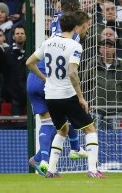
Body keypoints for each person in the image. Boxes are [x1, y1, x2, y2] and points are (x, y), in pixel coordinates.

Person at [26, 11, 106, 178]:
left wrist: (44, 79)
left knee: (62, 130)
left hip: (50, 95)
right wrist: (81, 98)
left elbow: (29, 62)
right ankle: (92, 169)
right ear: (78, 27)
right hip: (67, 94)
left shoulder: (48, 42)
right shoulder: (75, 46)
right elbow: (72, 73)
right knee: (90, 129)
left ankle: (51, 170)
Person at [27, 0, 87, 175]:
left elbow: (30, 61)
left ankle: (41, 159)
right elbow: (71, 69)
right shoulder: (73, 34)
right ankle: (75, 148)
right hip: (53, 77)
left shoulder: (56, 20)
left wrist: (34, 4)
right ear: (75, 9)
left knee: (50, 122)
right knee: (66, 113)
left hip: (34, 76)